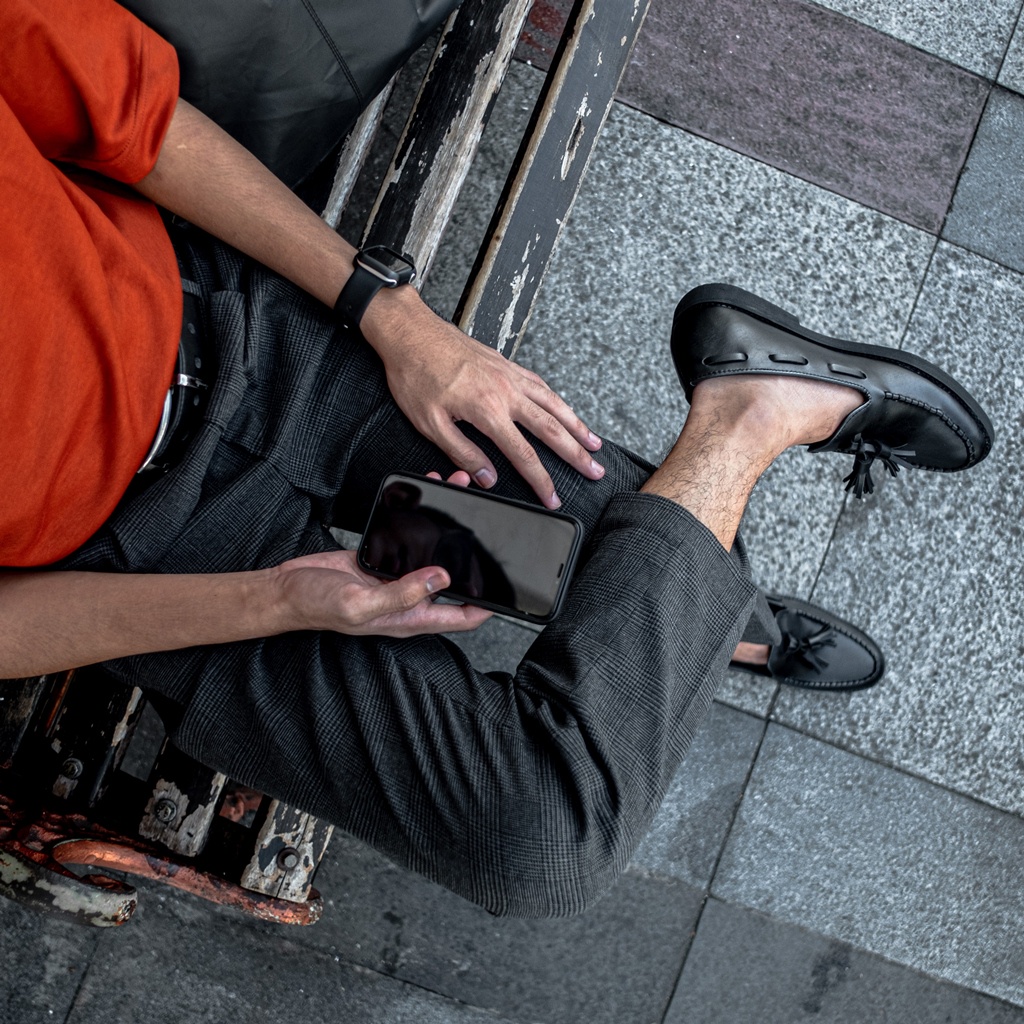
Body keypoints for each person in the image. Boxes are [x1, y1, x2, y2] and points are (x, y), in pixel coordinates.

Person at [0, 0, 992, 916]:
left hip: (238, 329)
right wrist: (280, 601)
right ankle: (744, 426)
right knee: (539, 841)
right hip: (143, 568)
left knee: (603, 529)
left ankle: (712, 606)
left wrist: (394, 320)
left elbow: (137, 119)